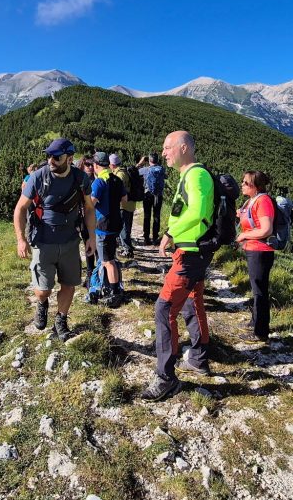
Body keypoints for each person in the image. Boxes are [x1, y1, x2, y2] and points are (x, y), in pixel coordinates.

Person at [141, 131, 215, 401]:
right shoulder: (191, 175)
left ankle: (166, 377)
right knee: (192, 301)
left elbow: (196, 211)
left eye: (167, 147)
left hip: (190, 254)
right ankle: (197, 357)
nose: (164, 153)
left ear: (184, 148)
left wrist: (171, 232)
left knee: (163, 309)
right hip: (194, 252)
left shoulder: (196, 175)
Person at [13, 138, 96, 341]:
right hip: (43, 241)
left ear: (69, 158)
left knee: (69, 284)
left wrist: (91, 237)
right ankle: (42, 304)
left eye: (56, 157)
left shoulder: (80, 179)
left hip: (69, 240)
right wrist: (20, 239)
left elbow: (89, 208)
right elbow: (20, 208)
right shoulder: (38, 178)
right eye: (49, 155)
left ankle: (61, 319)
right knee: (43, 290)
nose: (51, 160)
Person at [236, 171, 275, 342]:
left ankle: (260, 332)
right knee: (256, 289)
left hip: (260, 251)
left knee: (260, 292)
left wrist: (245, 236)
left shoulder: (263, 201)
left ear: (256, 186)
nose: (242, 184)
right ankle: (255, 322)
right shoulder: (251, 201)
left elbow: (266, 229)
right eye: (242, 181)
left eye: (246, 182)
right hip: (254, 250)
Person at [91, 151, 127, 306]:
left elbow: (90, 204)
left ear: (96, 165)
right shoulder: (116, 179)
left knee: (107, 261)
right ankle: (112, 285)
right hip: (116, 223)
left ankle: (114, 293)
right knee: (110, 256)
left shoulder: (99, 182)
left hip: (103, 225)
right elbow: (124, 200)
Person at [76, 157, 98, 289]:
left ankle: (94, 275)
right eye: (87, 164)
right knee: (88, 245)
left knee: (95, 247)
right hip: (83, 218)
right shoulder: (80, 180)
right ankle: (90, 275)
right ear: (82, 166)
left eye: (91, 164)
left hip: (97, 218)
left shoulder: (97, 179)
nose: (89, 167)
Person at [137, 153, 166, 246]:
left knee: (147, 216)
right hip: (158, 195)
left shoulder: (145, 170)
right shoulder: (161, 169)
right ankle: (155, 238)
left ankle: (146, 238)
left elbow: (134, 171)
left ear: (149, 160)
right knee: (156, 216)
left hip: (147, 195)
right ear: (157, 160)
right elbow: (166, 177)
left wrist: (140, 163)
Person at [111, 154, 137, 258]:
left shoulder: (119, 175)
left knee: (123, 228)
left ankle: (127, 250)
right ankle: (128, 246)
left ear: (112, 164)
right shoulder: (125, 171)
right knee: (127, 227)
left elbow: (118, 191)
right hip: (130, 204)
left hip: (123, 205)